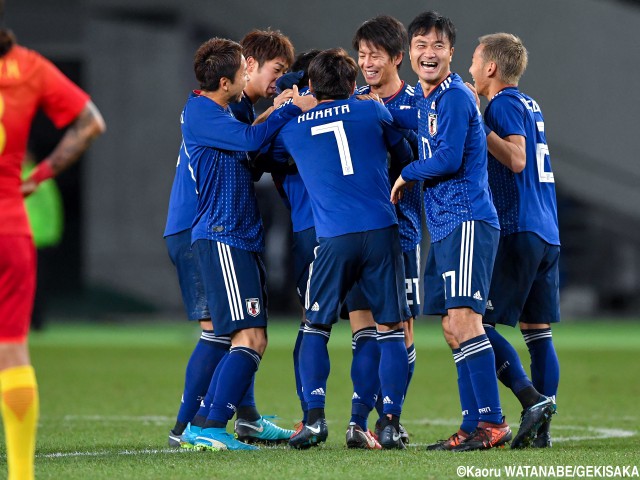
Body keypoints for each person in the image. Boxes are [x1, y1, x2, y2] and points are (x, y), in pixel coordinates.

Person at [171, 37, 314, 452]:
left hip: (239, 238)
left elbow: (250, 142)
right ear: (226, 79)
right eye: (243, 70)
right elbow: (252, 142)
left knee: (246, 337)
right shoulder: (200, 110)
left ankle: (218, 422)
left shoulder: (225, 110)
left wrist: (287, 91)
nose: (249, 75)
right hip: (221, 237)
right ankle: (203, 426)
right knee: (244, 337)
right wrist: (289, 107)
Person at [272, 48, 414, 450]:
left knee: (315, 326)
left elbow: (268, 159)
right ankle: (388, 423)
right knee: (389, 330)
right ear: (353, 85)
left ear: (313, 86)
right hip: (382, 231)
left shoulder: (294, 128)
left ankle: (314, 419)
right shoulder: (371, 111)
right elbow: (404, 154)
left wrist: (287, 104)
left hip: (333, 237)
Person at [389, 11, 510, 451]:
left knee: (466, 321)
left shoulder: (456, 97)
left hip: (466, 220)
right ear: (410, 52)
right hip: (443, 226)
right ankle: (473, 423)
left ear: (451, 53)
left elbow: (448, 159)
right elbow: (404, 120)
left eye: (438, 45)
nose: (429, 53)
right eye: (421, 44)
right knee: (451, 326)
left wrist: (405, 173)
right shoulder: (428, 99)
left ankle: (492, 424)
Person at [0, 26, 105, 479]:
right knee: (12, 350)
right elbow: (91, 123)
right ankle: (22, 475)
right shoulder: (26, 67)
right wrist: (39, 175)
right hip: (8, 226)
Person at [467, 32, 559, 448]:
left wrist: (475, 119)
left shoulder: (501, 104)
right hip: (547, 231)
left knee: (476, 324)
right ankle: (542, 430)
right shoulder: (529, 103)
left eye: (473, 59)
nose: (470, 67)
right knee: (537, 333)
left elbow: (517, 159)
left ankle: (532, 400)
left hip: (518, 227)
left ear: (490, 67)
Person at [348, 14, 422, 448]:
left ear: (397, 57)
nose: (367, 63)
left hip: (402, 232)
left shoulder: (417, 104)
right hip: (359, 234)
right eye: (361, 55)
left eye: (375, 55)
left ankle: (386, 418)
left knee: (398, 331)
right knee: (366, 332)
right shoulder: (353, 100)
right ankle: (366, 421)